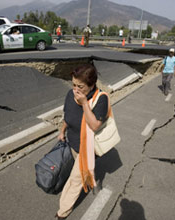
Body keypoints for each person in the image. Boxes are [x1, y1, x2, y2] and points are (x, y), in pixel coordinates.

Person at [56, 64, 109, 219]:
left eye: (80, 86)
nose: (76, 90)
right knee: (78, 171)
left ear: (91, 85)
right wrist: (62, 131)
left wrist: (85, 103)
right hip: (72, 141)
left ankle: (62, 211)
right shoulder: (70, 95)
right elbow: (68, 115)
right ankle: (93, 180)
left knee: (75, 180)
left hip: (88, 146)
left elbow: (94, 125)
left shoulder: (101, 99)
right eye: (73, 84)